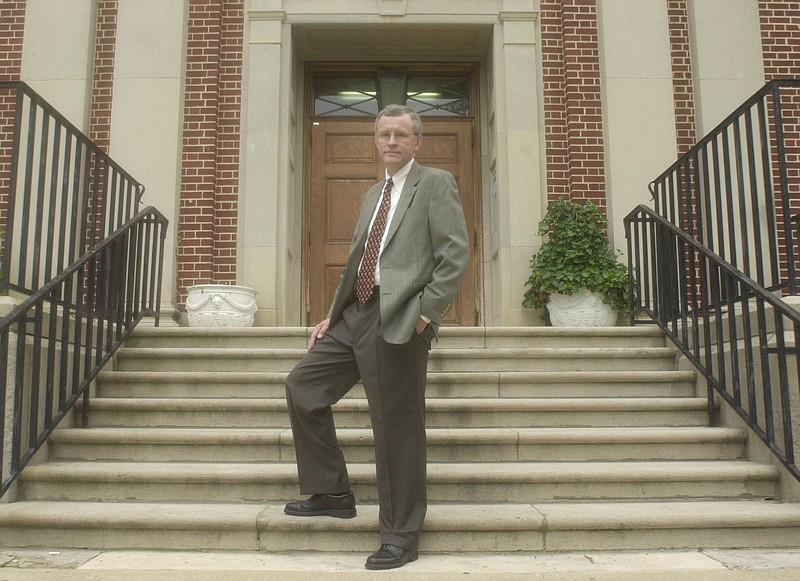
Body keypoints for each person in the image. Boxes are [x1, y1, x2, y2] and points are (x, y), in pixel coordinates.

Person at [284, 104, 470, 570]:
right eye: (384, 134)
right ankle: (332, 491)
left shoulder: (434, 184)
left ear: (416, 142)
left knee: (396, 428)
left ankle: (401, 534)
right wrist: (333, 315)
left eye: (401, 135)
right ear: (376, 140)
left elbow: (455, 256)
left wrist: (426, 315)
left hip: (402, 316)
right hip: (357, 312)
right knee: (303, 386)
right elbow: (356, 262)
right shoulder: (373, 195)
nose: (391, 141)